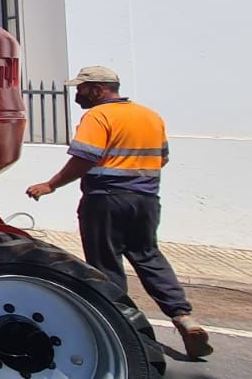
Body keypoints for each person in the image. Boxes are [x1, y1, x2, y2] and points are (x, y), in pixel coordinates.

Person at [26, 66, 212, 359]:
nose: (77, 95)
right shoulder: (150, 115)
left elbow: (84, 159)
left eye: (81, 89)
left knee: (106, 264)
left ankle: (121, 326)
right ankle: (183, 316)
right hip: (146, 198)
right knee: (149, 255)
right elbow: (162, 158)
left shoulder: (99, 116)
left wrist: (51, 185)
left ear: (98, 90)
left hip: (106, 199)